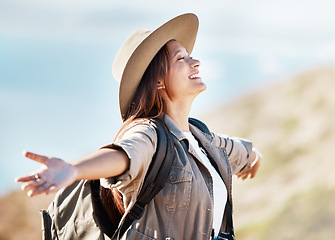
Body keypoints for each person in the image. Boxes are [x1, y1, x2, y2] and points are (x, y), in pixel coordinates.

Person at [15, 13, 261, 240]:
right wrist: (74, 169)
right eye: (181, 58)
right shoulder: (148, 134)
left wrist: (253, 156)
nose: (195, 61)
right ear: (157, 80)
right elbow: (124, 155)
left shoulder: (201, 138)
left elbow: (235, 150)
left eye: (190, 55)